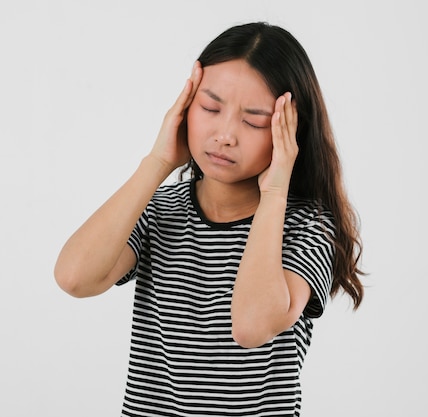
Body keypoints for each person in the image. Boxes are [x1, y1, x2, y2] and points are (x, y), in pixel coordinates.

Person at [54, 21, 364, 417]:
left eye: (253, 120)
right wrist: (157, 162)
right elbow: (74, 278)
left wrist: (274, 192)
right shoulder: (160, 208)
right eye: (211, 108)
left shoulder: (308, 226)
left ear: (289, 132)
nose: (224, 135)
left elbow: (251, 327)